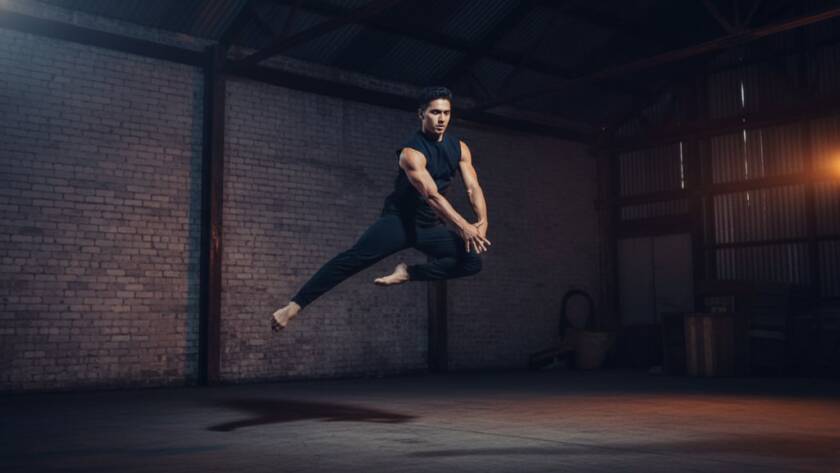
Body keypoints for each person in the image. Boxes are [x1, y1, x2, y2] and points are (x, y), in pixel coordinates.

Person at [271, 86, 490, 332]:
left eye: (446, 113)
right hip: (399, 222)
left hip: (430, 226)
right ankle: (293, 307)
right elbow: (431, 195)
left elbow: (473, 187)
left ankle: (408, 273)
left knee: (472, 262)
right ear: (421, 114)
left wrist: (482, 221)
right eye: (435, 112)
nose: (441, 119)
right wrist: (463, 225)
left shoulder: (459, 148)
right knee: (352, 259)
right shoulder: (411, 153)